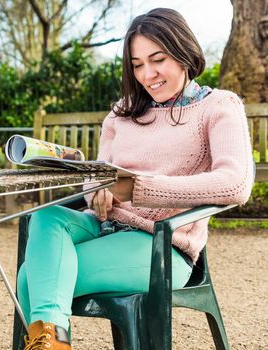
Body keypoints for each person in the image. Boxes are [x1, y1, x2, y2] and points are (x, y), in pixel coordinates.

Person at [18, 8, 254, 350]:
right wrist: (97, 190)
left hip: (162, 245)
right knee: (46, 217)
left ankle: (50, 342)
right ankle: (53, 343)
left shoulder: (218, 107)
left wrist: (136, 188)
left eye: (157, 59)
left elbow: (235, 183)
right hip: (103, 225)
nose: (148, 74)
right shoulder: (122, 113)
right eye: (137, 64)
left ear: (183, 51)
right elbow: (100, 175)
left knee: (31, 279)